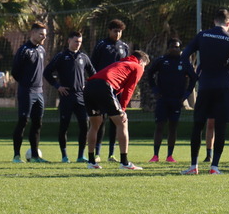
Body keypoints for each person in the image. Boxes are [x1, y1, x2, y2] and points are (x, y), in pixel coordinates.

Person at [180, 8, 229, 175]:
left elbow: (184, 55)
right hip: (223, 87)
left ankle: (193, 166)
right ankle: (214, 167)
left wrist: (194, 75)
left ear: (214, 21)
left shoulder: (202, 35)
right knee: (220, 126)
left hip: (205, 86)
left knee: (198, 125)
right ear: (228, 23)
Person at [84, 50, 150, 170]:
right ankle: (124, 163)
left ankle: (91, 161)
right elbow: (129, 89)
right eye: (144, 65)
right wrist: (123, 109)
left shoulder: (121, 63)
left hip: (89, 86)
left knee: (94, 125)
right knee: (122, 122)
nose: (143, 69)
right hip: (104, 86)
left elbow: (116, 86)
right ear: (141, 61)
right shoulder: (137, 67)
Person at [43, 31, 96, 163]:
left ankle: (80, 156)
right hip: (66, 96)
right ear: (69, 41)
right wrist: (57, 86)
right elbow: (47, 72)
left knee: (85, 125)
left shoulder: (84, 57)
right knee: (64, 126)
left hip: (81, 97)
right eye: (75, 41)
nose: (78, 44)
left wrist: (88, 86)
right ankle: (64, 156)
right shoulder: (61, 56)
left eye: (80, 42)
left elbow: (93, 74)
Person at [147, 38, 195, 163]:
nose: (175, 49)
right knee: (160, 126)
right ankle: (155, 155)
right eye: (173, 47)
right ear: (168, 48)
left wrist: (186, 94)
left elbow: (193, 79)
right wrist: (155, 90)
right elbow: (149, 74)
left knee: (173, 127)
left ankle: (169, 156)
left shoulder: (184, 62)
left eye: (178, 47)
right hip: (163, 99)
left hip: (176, 100)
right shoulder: (161, 61)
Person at [90, 19, 130, 162]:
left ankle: (112, 153)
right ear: (109, 30)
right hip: (102, 88)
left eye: (120, 32)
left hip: (116, 89)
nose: (117, 34)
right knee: (100, 120)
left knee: (116, 120)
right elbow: (92, 66)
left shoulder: (124, 47)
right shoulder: (101, 45)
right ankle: (97, 152)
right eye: (115, 31)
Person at [11, 22, 49, 163]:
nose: (43, 37)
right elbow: (15, 71)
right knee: (23, 121)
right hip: (27, 91)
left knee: (37, 123)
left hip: (39, 92)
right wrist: (25, 84)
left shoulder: (42, 50)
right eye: (41, 34)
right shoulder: (24, 50)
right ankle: (16, 156)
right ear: (32, 33)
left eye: (45, 35)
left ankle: (35, 156)